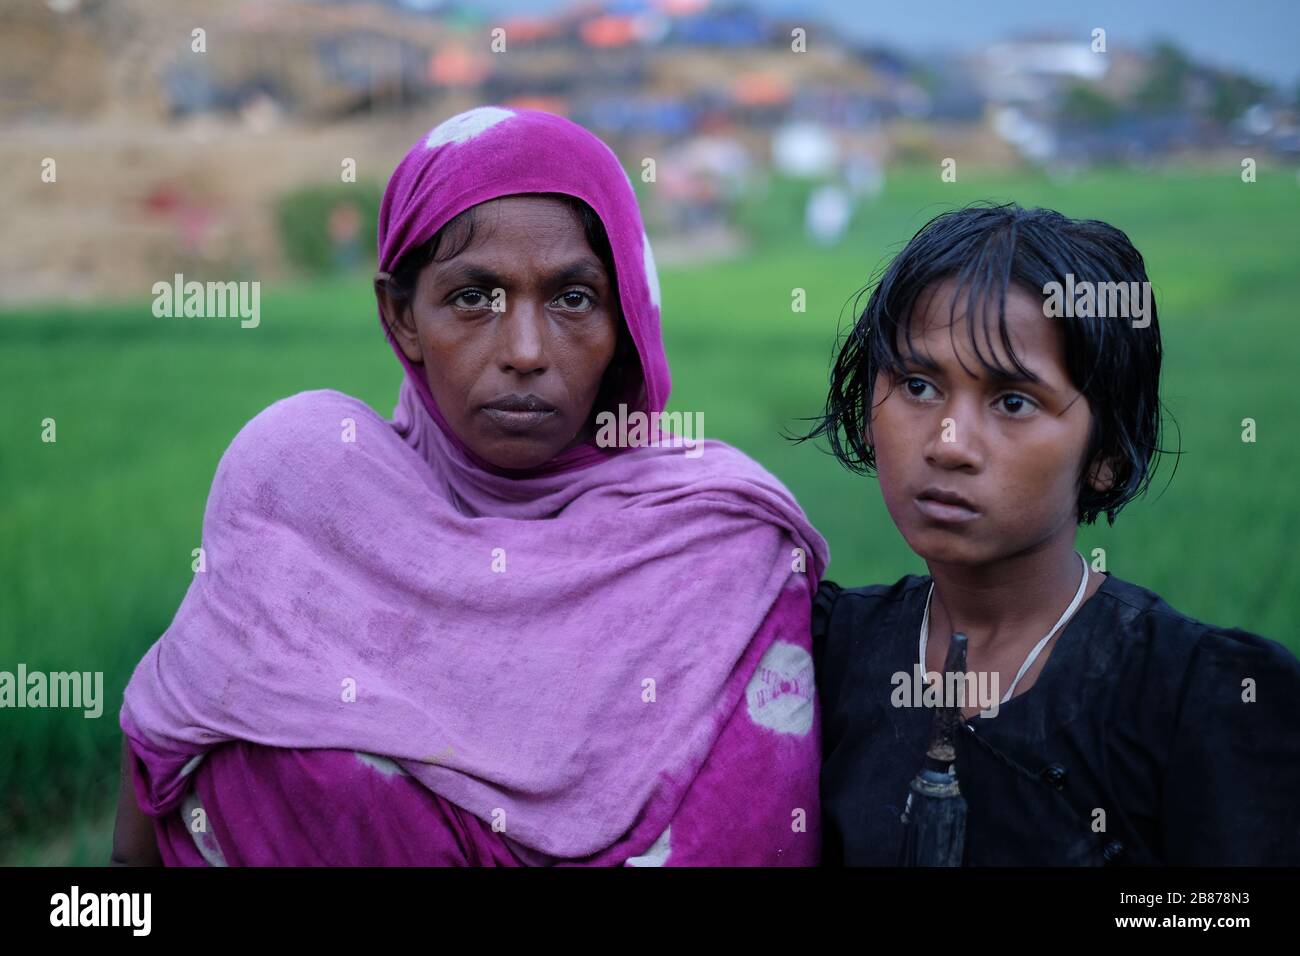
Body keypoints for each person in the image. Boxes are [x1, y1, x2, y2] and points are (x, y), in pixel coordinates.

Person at [112, 106, 828, 866]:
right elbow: (139, 841)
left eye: (573, 298)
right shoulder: (307, 489)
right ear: (402, 314)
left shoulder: (717, 541)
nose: (524, 351)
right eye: (472, 297)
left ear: (628, 321)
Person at [804, 202, 1300, 865]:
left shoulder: (1199, 698)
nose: (951, 445)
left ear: (1106, 455)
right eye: (918, 386)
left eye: (1013, 402)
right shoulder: (824, 653)